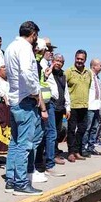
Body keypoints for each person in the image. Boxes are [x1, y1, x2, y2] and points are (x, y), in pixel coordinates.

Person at [4, 21, 46, 196]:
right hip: (25, 101)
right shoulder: (25, 48)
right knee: (25, 144)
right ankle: (21, 184)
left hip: (15, 99)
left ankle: (11, 179)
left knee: (14, 142)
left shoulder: (10, 47)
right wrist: (36, 93)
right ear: (34, 34)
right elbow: (27, 73)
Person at [35, 39, 65, 178]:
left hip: (49, 101)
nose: (51, 52)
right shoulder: (39, 62)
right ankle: (47, 164)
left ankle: (44, 164)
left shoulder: (47, 65)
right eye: (48, 49)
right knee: (49, 133)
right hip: (44, 102)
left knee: (49, 133)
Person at [65, 50, 91, 162]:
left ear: (85, 60)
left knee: (82, 129)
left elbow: (88, 87)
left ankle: (77, 150)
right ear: (75, 58)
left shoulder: (88, 72)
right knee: (71, 129)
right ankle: (71, 152)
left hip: (84, 106)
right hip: (72, 106)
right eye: (78, 58)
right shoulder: (69, 72)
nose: (79, 61)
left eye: (82, 59)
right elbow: (64, 87)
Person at [46, 53, 71, 161]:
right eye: (57, 60)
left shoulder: (62, 75)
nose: (58, 63)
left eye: (61, 62)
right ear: (52, 61)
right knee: (51, 132)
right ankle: (51, 156)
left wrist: (68, 107)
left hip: (60, 107)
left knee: (57, 131)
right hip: (51, 105)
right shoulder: (48, 72)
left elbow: (66, 92)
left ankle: (54, 152)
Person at [82, 59, 101, 156]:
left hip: (96, 106)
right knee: (87, 128)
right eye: (100, 65)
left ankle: (91, 147)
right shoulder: (88, 75)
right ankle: (83, 148)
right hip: (89, 106)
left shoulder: (97, 77)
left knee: (94, 127)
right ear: (94, 66)